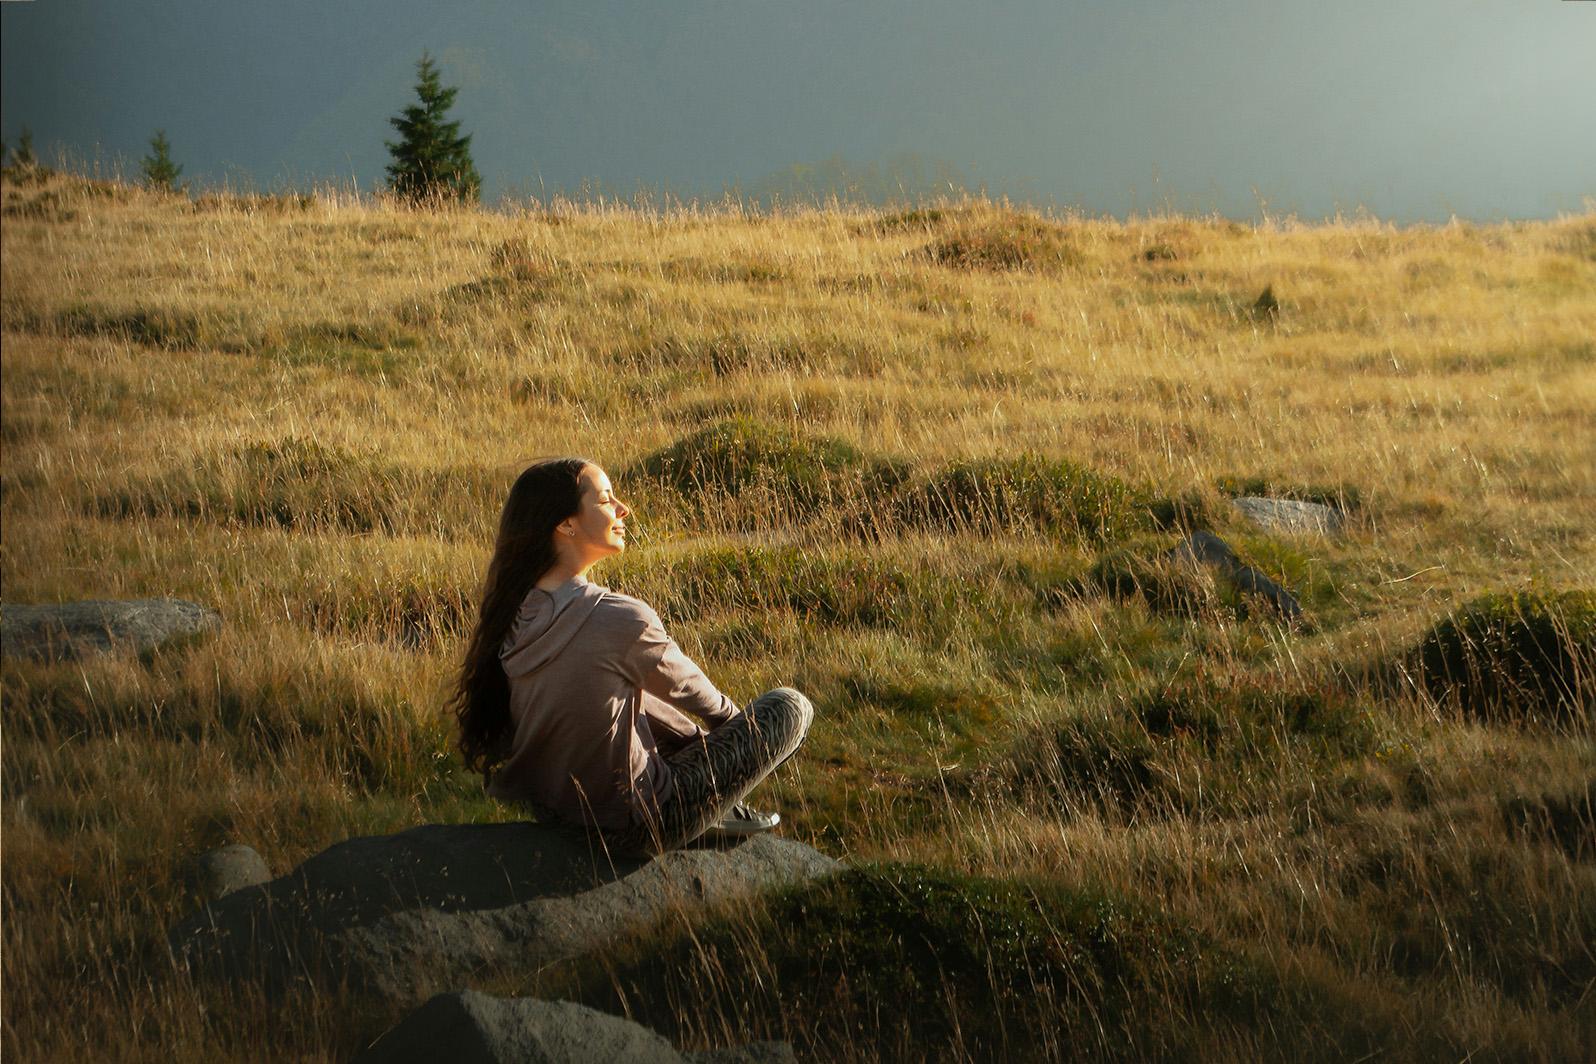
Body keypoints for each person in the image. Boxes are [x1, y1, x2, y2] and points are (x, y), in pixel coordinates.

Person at [450, 457, 813, 856]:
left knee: (625, 692)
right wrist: (735, 756)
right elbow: (711, 705)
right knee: (791, 707)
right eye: (606, 500)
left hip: (555, 817)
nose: (624, 509)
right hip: (637, 826)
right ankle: (709, 815)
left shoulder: (510, 612)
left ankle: (711, 809)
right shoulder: (621, 619)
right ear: (565, 524)